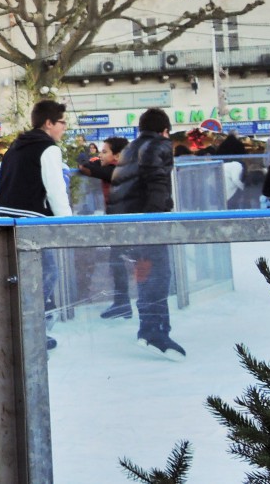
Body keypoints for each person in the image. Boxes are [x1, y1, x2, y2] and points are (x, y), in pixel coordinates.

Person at [0, 99, 72, 350]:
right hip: (32, 223)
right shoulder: (48, 149)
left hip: (6, 222)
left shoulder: (16, 146)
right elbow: (56, 191)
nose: (64, 127)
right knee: (45, 275)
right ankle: (32, 331)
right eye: (62, 122)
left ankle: (22, 330)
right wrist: (70, 226)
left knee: (20, 277)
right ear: (48, 123)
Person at [109, 107, 185, 360]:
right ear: (164, 131)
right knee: (159, 275)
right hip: (148, 225)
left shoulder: (130, 148)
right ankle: (156, 330)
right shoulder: (160, 145)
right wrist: (156, 220)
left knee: (146, 274)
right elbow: (158, 185)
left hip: (129, 225)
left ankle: (148, 328)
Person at [78, 137, 132, 318]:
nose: (100, 155)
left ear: (117, 156)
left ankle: (125, 304)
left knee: (119, 261)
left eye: (104, 151)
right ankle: (122, 303)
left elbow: (85, 167)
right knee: (116, 260)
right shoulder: (115, 168)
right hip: (118, 218)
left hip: (124, 221)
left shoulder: (117, 170)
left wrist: (89, 160)